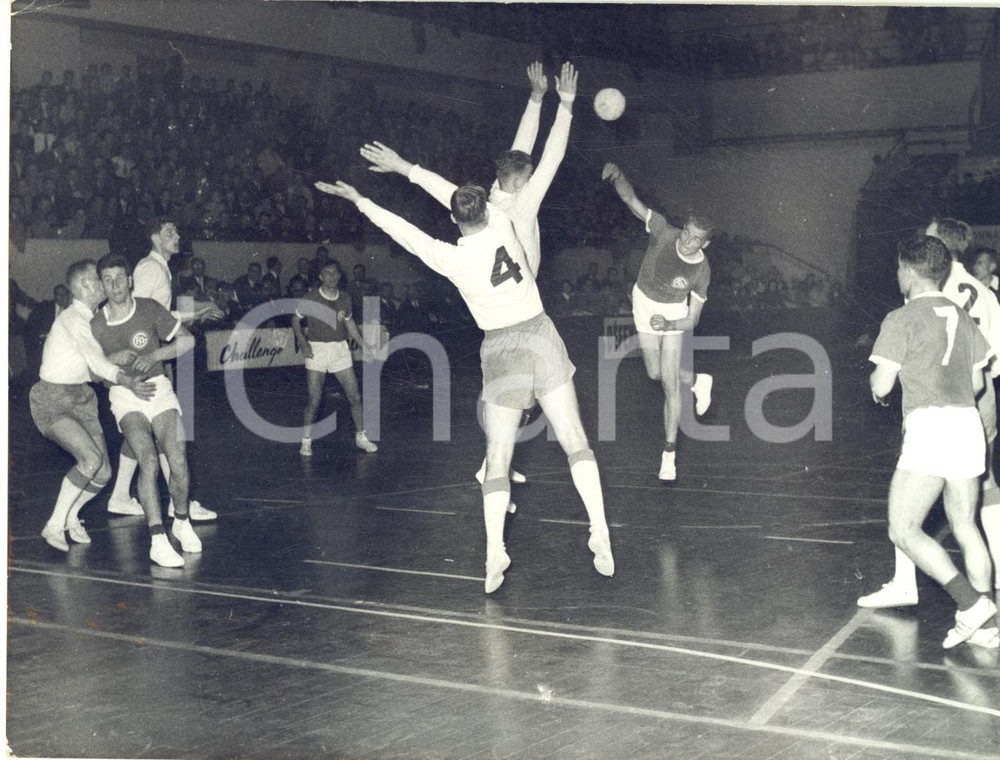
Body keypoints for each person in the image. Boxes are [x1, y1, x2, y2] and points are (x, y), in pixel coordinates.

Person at [314, 177, 614, 594]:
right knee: (575, 440)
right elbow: (460, 197)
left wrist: (362, 199)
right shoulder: (503, 225)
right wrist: (414, 171)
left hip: (501, 348)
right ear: (486, 209)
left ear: (454, 219)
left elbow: (404, 231)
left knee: (497, 456)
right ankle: (598, 528)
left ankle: (495, 552)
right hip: (540, 335)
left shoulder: (450, 257)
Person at [859, 219, 1000, 641]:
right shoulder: (962, 313)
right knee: (965, 525)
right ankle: (988, 627)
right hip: (968, 425)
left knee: (902, 528)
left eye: (900, 268)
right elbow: (977, 383)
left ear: (910, 271)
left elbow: (882, 383)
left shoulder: (901, 317)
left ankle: (972, 604)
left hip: (931, 427)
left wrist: (879, 390)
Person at [30, 260, 154, 552]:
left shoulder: (93, 319)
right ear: (85, 286)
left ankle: (71, 515)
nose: (104, 286)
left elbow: (92, 365)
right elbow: (97, 362)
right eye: (99, 281)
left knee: (102, 473)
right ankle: (54, 525)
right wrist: (124, 378)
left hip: (82, 398)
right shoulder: (74, 319)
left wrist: (115, 358)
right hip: (52, 400)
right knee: (89, 460)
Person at [602, 162, 714, 481]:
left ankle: (669, 454)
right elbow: (631, 201)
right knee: (653, 372)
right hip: (643, 301)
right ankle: (696, 381)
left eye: (695, 240)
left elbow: (692, 319)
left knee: (667, 382)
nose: (687, 242)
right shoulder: (664, 231)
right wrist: (619, 176)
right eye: (687, 234)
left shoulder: (701, 271)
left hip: (674, 314)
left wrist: (669, 327)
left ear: (705, 244)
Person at [91, 254, 202, 568]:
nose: (115, 285)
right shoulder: (96, 325)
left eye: (119, 278)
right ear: (101, 285)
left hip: (158, 388)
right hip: (125, 396)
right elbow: (93, 373)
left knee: (178, 461)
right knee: (148, 459)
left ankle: (181, 521)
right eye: (107, 280)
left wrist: (155, 354)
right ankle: (157, 539)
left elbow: (187, 341)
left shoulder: (149, 308)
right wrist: (117, 365)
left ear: (129, 280)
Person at [106, 217, 220, 521]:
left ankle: (119, 496)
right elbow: (134, 311)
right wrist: (147, 357)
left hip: (149, 358)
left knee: (147, 432)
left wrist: (198, 311)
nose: (178, 235)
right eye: (170, 231)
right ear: (155, 237)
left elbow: (157, 314)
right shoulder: (148, 268)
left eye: (177, 229)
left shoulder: (159, 268)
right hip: (142, 361)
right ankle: (177, 502)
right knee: (163, 432)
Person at [292, 260, 378, 457]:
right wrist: (303, 343)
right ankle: (306, 441)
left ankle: (361, 437)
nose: (332, 276)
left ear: (339, 276)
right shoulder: (311, 297)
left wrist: (365, 346)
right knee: (314, 399)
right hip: (317, 350)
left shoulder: (346, 298)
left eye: (335, 273)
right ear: (321, 277)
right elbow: (295, 320)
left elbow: (350, 324)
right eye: (327, 273)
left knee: (355, 396)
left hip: (340, 350)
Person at [24, 283, 74, 377]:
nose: (63, 298)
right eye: (60, 295)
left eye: (65, 295)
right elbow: (31, 323)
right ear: (55, 297)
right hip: (42, 342)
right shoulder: (45, 307)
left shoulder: (71, 310)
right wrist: (41, 334)